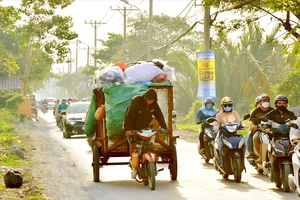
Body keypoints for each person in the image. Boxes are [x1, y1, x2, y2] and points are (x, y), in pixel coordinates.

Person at [123, 88, 167, 156]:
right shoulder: (136, 101)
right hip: (134, 126)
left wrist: (164, 127)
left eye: (153, 100)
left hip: (146, 126)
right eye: (149, 100)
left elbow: (159, 115)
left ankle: (151, 143)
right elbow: (129, 115)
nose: (151, 102)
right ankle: (133, 161)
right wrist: (128, 129)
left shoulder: (154, 104)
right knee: (133, 144)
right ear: (145, 98)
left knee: (156, 122)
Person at [246, 94, 274, 163]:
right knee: (255, 138)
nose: (265, 102)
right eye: (263, 101)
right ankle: (260, 156)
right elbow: (251, 121)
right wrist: (253, 126)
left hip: (271, 130)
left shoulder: (273, 111)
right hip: (259, 130)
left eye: (267, 101)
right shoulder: (256, 111)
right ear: (260, 102)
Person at [215, 97, 240, 167]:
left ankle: (242, 162)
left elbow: (239, 122)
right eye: (225, 105)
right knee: (221, 146)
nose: (227, 107)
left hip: (234, 134)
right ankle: (222, 162)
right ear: (222, 106)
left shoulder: (235, 113)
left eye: (229, 105)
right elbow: (216, 123)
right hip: (223, 134)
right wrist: (216, 127)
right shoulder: (219, 115)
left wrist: (242, 126)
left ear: (232, 105)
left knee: (242, 143)